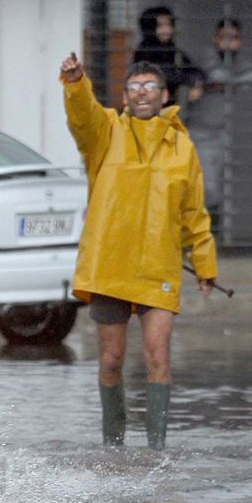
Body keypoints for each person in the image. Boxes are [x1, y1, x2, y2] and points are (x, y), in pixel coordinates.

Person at [60, 52, 218, 449]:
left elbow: (193, 212)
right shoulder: (106, 133)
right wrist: (76, 83)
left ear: (165, 95)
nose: (142, 92)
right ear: (126, 96)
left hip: (157, 267)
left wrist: (204, 264)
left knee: (157, 356)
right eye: (134, 87)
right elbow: (82, 117)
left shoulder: (183, 148)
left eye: (150, 86)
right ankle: (113, 446)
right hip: (109, 265)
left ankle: (156, 450)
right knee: (111, 360)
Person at [189, 17, 252, 217]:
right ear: (215, 39)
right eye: (224, 37)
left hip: (225, 134)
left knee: (222, 188)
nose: (228, 42)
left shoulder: (239, 63)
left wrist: (228, 84)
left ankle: (215, 237)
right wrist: (233, 83)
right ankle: (207, 235)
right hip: (201, 133)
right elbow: (216, 76)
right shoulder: (206, 57)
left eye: (233, 37)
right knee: (208, 188)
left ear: (239, 41)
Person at [132, 5, 205, 112]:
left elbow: (195, 70)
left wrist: (195, 83)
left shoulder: (173, 51)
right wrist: (187, 80)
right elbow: (161, 75)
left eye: (169, 24)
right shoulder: (144, 52)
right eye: (160, 25)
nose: (167, 29)